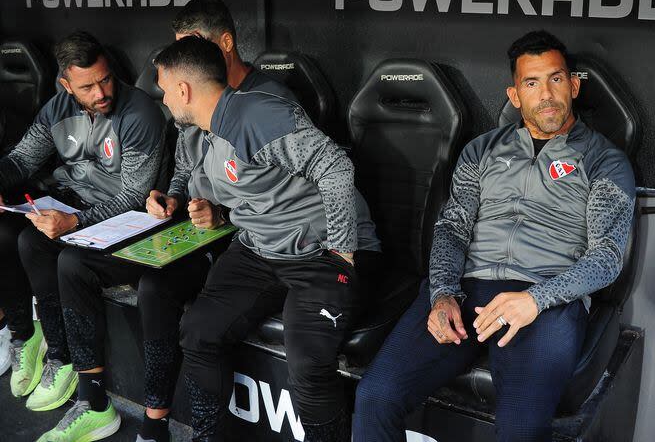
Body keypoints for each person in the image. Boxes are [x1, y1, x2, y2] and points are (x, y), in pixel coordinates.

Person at [352, 30, 636, 442]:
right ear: (515, 95)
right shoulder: (481, 151)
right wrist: (442, 295)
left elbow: (607, 257)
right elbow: (452, 228)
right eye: (532, 83)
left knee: (520, 431)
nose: (547, 95)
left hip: (546, 302)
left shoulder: (604, 160)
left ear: (573, 85)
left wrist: (534, 301)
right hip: (467, 292)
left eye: (556, 79)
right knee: (375, 396)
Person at [154, 36, 381, 442]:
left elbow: (336, 168)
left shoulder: (256, 113)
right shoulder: (204, 132)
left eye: (165, 89)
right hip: (260, 247)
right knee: (198, 330)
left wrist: (343, 251)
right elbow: (253, 189)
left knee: (309, 363)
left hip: (320, 250)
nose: (164, 99)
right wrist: (218, 213)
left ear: (183, 90)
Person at [0, 30, 167, 441]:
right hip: (76, 205)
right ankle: (51, 349)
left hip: (126, 220)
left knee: (52, 250)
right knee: (13, 234)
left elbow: (134, 196)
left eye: (105, 79)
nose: (101, 91)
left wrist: (75, 223)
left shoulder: (139, 111)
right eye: (88, 86)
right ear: (66, 84)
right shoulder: (57, 109)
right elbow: (22, 159)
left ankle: (83, 383)